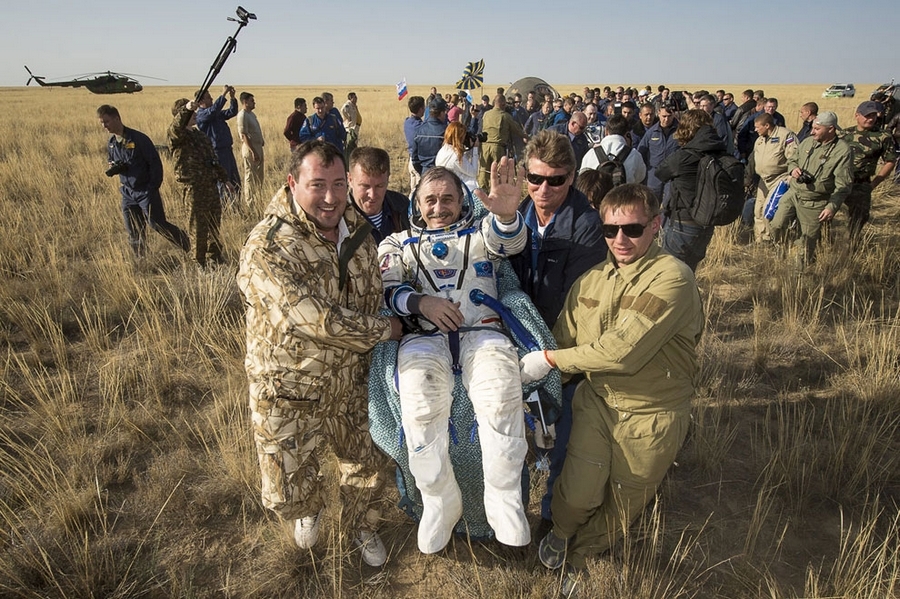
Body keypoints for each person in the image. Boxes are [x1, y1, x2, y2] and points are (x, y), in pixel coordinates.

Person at [524, 183, 703, 595]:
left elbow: (621, 352)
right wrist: (537, 398)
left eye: (633, 229)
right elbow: (562, 340)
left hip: (652, 416)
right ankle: (562, 532)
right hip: (597, 404)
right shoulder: (590, 282)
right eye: (610, 230)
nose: (620, 240)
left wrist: (549, 362)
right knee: (576, 495)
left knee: (622, 506)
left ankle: (583, 556)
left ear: (655, 225)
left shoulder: (673, 278)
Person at [237, 140, 403, 568]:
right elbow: (315, 319)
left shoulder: (357, 227)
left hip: (351, 379)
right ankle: (308, 509)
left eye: (337, 184)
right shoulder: (268, 247)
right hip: (293, 386)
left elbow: (371, 291)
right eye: (316, 185)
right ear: (293, 183)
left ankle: (360, 525)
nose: (330, 197)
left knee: (368, 462)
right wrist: (386, 329)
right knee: (290, 481)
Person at [378, 162, 530, 554]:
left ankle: (504, 497)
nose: (438, 207)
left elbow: (509, 243)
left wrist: (508, 214)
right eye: (430, 199)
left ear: (462, 202)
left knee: (500, 396)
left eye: (448, 198)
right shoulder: (397, 244)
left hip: (482, 332)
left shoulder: (482, 233)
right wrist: (421, 302)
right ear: (417, 203)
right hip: (424, 336)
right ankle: (439, 499)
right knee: (420, 402)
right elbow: (387, 291)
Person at [508, 130, 607, 531]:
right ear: (524, 175)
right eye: (535, 179)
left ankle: (551, 517)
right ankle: (512, 517)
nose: (543, 189)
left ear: (572, 177)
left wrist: (548, 359)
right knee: (512, 434)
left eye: (556, 180)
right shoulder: (516, 215)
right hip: (518, 343)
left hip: (561, 351)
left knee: (563, 436)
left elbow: (574, 304)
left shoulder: (587, 226)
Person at [97, 104, 190, 258]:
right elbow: (112, 160)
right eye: (101, 123)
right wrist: (113, 167)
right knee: (133, 229)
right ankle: (141, 259)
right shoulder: (112, 142)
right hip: (127, 192)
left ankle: (187, 244)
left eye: (106, 122)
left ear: (116, 118)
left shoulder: (138, 139)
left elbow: (155, 164)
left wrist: (152, 187)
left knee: (156, 223)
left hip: (145, 190)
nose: (104, 126)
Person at [769, 111, 853, 269]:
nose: (812, 131)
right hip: (793, 193)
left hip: (815, 202)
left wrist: (832, 206)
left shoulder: (842, 151)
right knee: (776, 224)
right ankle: (781, 248)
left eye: (817, 129)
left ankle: (800, 274)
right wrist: (793, 169)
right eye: (812, 128)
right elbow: (793, 159)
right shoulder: (807, 142)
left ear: (831, 129)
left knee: (807, 241)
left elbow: (844, 185)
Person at [655, 109, 724, 272]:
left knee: (670, 273)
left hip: (683, 222)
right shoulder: (720, 153)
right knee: (689, 271)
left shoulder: (683, 157)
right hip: (707, 223)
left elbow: (660, 172)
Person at [167, 98, 232, 268]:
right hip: (193, 187)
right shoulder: (177, 136)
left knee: (213, 223)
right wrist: (186, 109)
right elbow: (176, 128)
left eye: (193, 111)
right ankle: (198, 262)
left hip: (210, 185)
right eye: (191, 112)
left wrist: (224, 179)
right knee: (197, 226)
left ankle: (214, 256)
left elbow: (212, 159)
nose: (195, 114)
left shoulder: (199, 135)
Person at [839, 100, 898, 249]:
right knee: (825, 214)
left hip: (862, 184)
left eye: (873, 115)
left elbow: (890, 161)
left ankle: (849, 249)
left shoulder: (883, 136)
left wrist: (874, 183)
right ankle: (823, 244)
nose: (870, 119)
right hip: (840, 183)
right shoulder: (845, 134)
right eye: (866, 115)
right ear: (857, 115)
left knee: (859, 218)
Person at [347, 146, 410, 243]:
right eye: (365, 186)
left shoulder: (402, 206)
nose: (372, 195)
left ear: (388, 179)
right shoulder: (336, 219)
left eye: (379, 186)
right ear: (350, 180)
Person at [750, 113, 797, 243]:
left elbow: (794, 157)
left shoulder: (785, 136)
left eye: (758, 127)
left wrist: (790, 178)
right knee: (758, 210)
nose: (755, 130)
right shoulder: (759, 139)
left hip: (780, 178)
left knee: (769, 210)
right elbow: (753, 159)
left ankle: (772, 239)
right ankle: (760, 239)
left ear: (767, 125)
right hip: (763, 180)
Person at [196, 85, 241, 199]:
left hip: (227, 150)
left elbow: (232, 112)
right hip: (217, 153)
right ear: (201, 101)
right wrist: (223, 94)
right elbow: (213, 110)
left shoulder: (215, 113)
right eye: (208, 98)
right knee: (223, 181)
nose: (211, 99)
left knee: (234, 179)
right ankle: (224, 207)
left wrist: (232, 98)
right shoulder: (201, 115)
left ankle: (236, 207)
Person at [479, 94, 526, 190]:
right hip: (498, 147)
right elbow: (516, 129)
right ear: (502, 104)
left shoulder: (486, 114)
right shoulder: (505, 116)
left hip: (484, 147)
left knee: (483, 172)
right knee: (497, 172)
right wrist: (526, 137)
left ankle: (481, 193)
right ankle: (495, 192)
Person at [638, 105, 679, 199]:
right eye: (664, 116)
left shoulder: (680, 131)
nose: (666, 119)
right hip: (654, 173)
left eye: (669, 116)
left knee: (669, 201)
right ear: (659, 113)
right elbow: (641, 151)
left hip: (672, 173)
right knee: (651, 200)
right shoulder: (651, 132)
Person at [237, 91, 265, 207]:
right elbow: (244, 135)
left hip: (258, 147)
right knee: (250, 176)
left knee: (259, 176)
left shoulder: (251, 114)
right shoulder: (242, 115)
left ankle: (258, 199)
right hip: (250, 149)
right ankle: (250, 202)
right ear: (245, 102)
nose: (254, 103)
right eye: (252, 101)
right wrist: (253, 151)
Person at [436, 121, 480, 190]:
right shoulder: (456, 156)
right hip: (461, 190)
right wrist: (475, 149)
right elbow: (474, 172)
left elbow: (462, 163)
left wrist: (469, 148)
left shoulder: (443, 150)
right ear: (460, 137)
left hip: (446, 186)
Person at [412, 96, 449, 175]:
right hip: (441, 173)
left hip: (425, 172)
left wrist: (423, 172)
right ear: (441, 113)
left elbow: (414, 159)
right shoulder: (446, 131)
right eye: (445, 112)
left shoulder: (418, 130)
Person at [404, 96, 425, 191]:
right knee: (420, 190)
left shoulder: (407, 122)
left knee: (413, 190)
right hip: (418, 161)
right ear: (421, 109)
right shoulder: (420, 126)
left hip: (411, 159)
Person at [341, 92, 363, 158]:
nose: (356, 99)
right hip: (350, 128)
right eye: (355, 97)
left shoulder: (353, 105)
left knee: (355, 142)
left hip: (355, 127)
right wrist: (348, 117)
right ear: (351, 98)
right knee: (350, 143)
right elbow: (343, 110)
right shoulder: (348, 105)